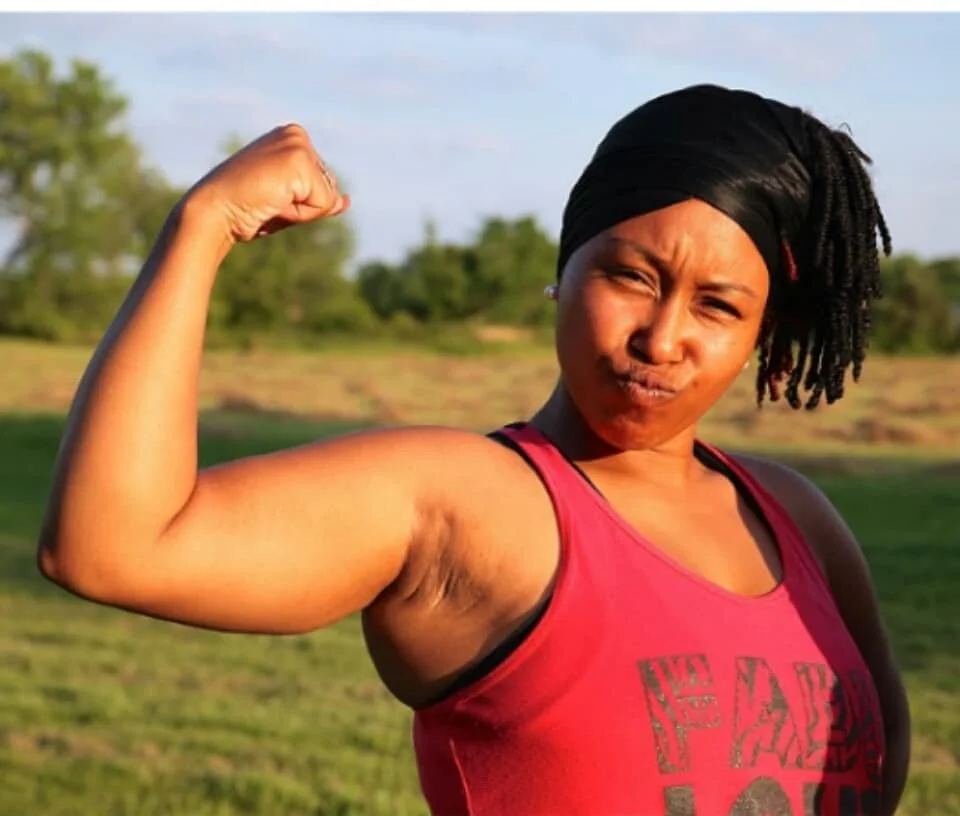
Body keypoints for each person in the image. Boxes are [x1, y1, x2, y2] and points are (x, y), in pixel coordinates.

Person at [37, 83, 910, 815]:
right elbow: (111, 548)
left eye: (718, 305)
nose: (661, 338)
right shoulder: (471, 501)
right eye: (629, 276)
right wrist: (203, 227)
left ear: (764, 333)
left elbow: (878, 758)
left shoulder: (794, 518)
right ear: (563, 272)